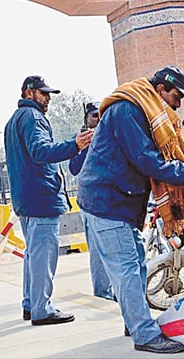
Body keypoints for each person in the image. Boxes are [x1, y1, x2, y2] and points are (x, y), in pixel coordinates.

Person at [77, 65, 184, 354]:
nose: (178, 105)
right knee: (127, 269)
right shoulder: (128, 111)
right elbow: (146, 160)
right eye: (176, 96)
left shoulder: (141, 109)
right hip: (106, 201)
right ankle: (144, 334)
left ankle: (136, 321)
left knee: (137, 264)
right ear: (160, 90)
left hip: (118, 201)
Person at [4, 74, 94, 326]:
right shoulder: (33, 117)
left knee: (33, 255)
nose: (48, 100)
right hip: (41, 198)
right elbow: (40, 151)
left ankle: (30, 304)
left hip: (26, 198)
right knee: (43, 256)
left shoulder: (14, 120)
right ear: (29, 92)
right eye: (44, 94)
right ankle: (42, 309)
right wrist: (73, 145)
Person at [68, 101, 114, 301]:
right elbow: (74, 169)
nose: (99, 119)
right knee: (97, 250)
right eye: (95, 115)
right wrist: (85, 145)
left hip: (112, 199)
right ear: (86, 119)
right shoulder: (79, 140)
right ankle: (102, 293)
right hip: (91, 202)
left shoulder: (111, 134)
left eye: (102, 115)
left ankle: (115, 290)